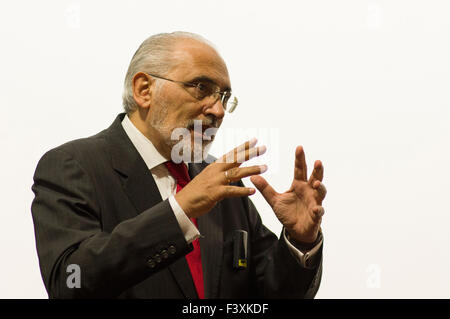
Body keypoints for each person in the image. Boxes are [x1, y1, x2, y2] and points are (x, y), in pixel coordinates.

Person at [31, 31, 327, 299]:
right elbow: (69, 282)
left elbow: (270, 294)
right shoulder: (74, 166)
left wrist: (300, 240)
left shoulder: (223, 182)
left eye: (224, 96)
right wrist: (180, 211)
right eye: (201, 88)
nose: (218, 110)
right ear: (144, 89)